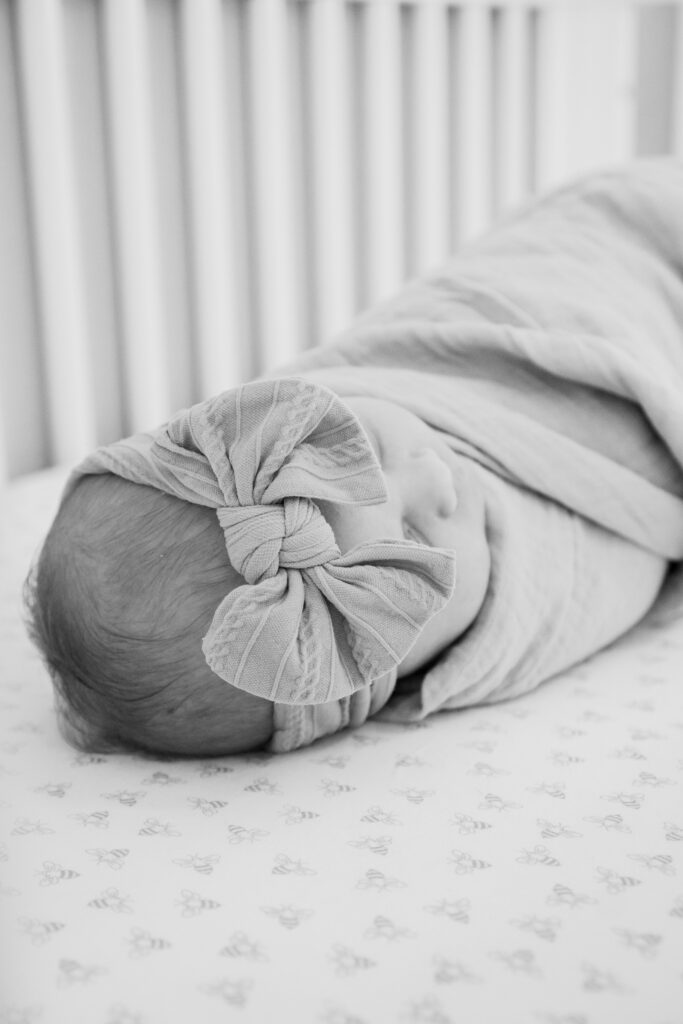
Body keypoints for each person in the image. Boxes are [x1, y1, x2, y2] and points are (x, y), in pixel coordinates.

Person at [25, 159, 683, 755]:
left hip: (619, 247)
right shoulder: (522, 607)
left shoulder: (369, 381)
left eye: (368, 443)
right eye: (413, 539)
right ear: (371, 680)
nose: (435, 476)